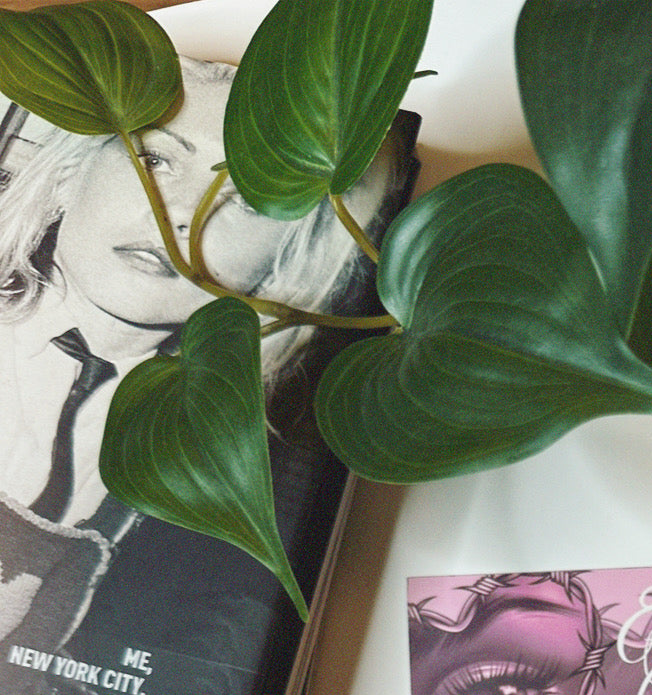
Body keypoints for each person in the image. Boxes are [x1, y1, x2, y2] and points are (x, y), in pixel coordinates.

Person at [0, 56, 396, 650]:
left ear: (284, 259)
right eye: (156, 160)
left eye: (249, 200)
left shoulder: (256, 475)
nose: (184, 213)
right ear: (66, 178)